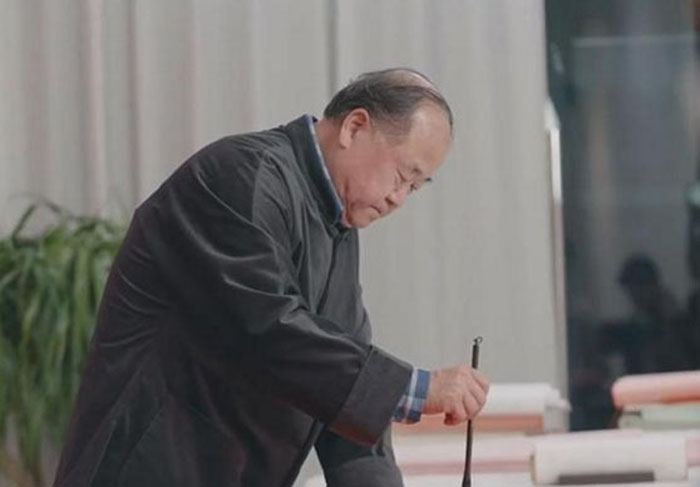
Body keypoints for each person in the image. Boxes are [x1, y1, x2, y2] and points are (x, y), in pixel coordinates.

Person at [53, 68, 490, 487]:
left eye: (414, 188)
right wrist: (416, 388)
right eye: (401, 176)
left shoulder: (336, 225)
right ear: (355, 127)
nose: (398, 199)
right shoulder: (243, 176)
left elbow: (346, 406)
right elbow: (270, 331)